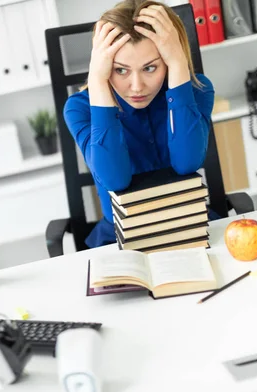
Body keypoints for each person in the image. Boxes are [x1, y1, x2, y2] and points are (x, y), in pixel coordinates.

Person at [63, 0, 215, 249]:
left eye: (150, 68)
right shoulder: (79, 108)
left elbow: (186, 162)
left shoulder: (197, 91)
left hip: (189, 227)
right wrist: (98, 83)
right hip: (120, 238)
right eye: (120, 70)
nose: (136, 86)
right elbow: (114, 179)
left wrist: (178, 64)